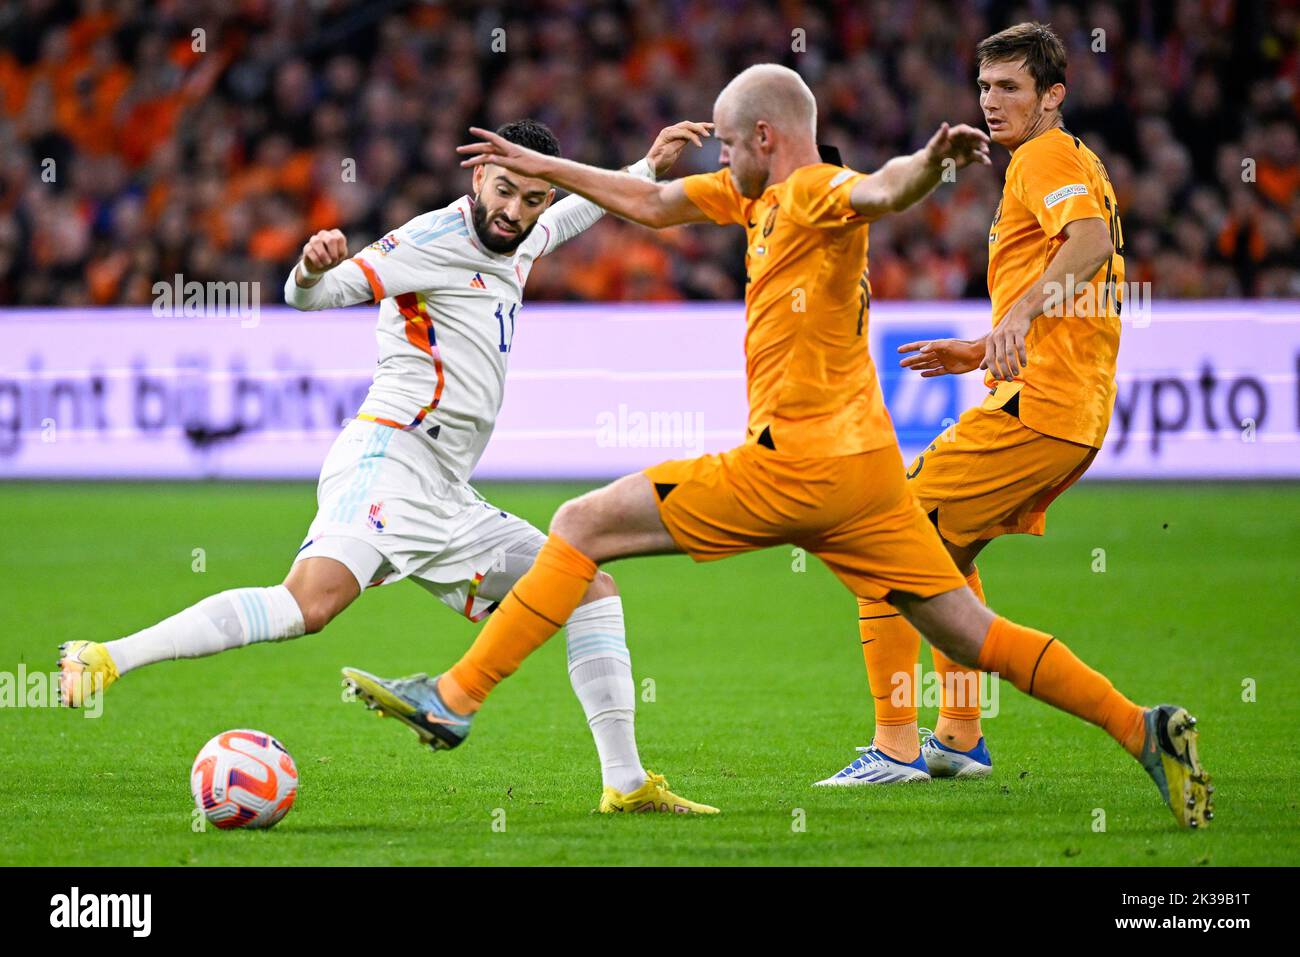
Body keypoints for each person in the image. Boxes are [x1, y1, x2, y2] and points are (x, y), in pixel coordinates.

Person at [351, 63, 1211, 829]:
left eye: (727, 144)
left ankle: (456, 697)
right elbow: (652, 203)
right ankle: (1142, 727)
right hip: (868, 478)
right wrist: (546, 168)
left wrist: (929, 168)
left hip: (795, 463)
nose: (720, 159)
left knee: (581, 522)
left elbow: (881, 189)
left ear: (766, 136)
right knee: (972, 631)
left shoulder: (812, 190)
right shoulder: (755, 195)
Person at [57, 118, 721, 816]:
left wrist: (646, 165)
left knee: (587, 586)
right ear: (477, 179)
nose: (516, 211)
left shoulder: (523, 237)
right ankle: (106, 654)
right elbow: (310, 297)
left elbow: (577, 211)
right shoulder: (431, 240)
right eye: (505, 192)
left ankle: (626, 784)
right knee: (309, 605)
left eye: (533, 198)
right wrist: (310, 266)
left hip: (447, 490)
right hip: (390, 457)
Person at [842, 21, 1132, 785]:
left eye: (1010, 87)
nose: (992, 100)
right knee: (945, 554)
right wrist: (984, 344)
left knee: (886, 539)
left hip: (1042, 406)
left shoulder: (1044, 157)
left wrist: (1016, 318)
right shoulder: (1064, 161)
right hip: (1062, 408)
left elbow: (1092, 243)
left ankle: (896, 746)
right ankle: (960, 736)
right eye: (984, 86)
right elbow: (1079, 280)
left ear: (1052, 97)